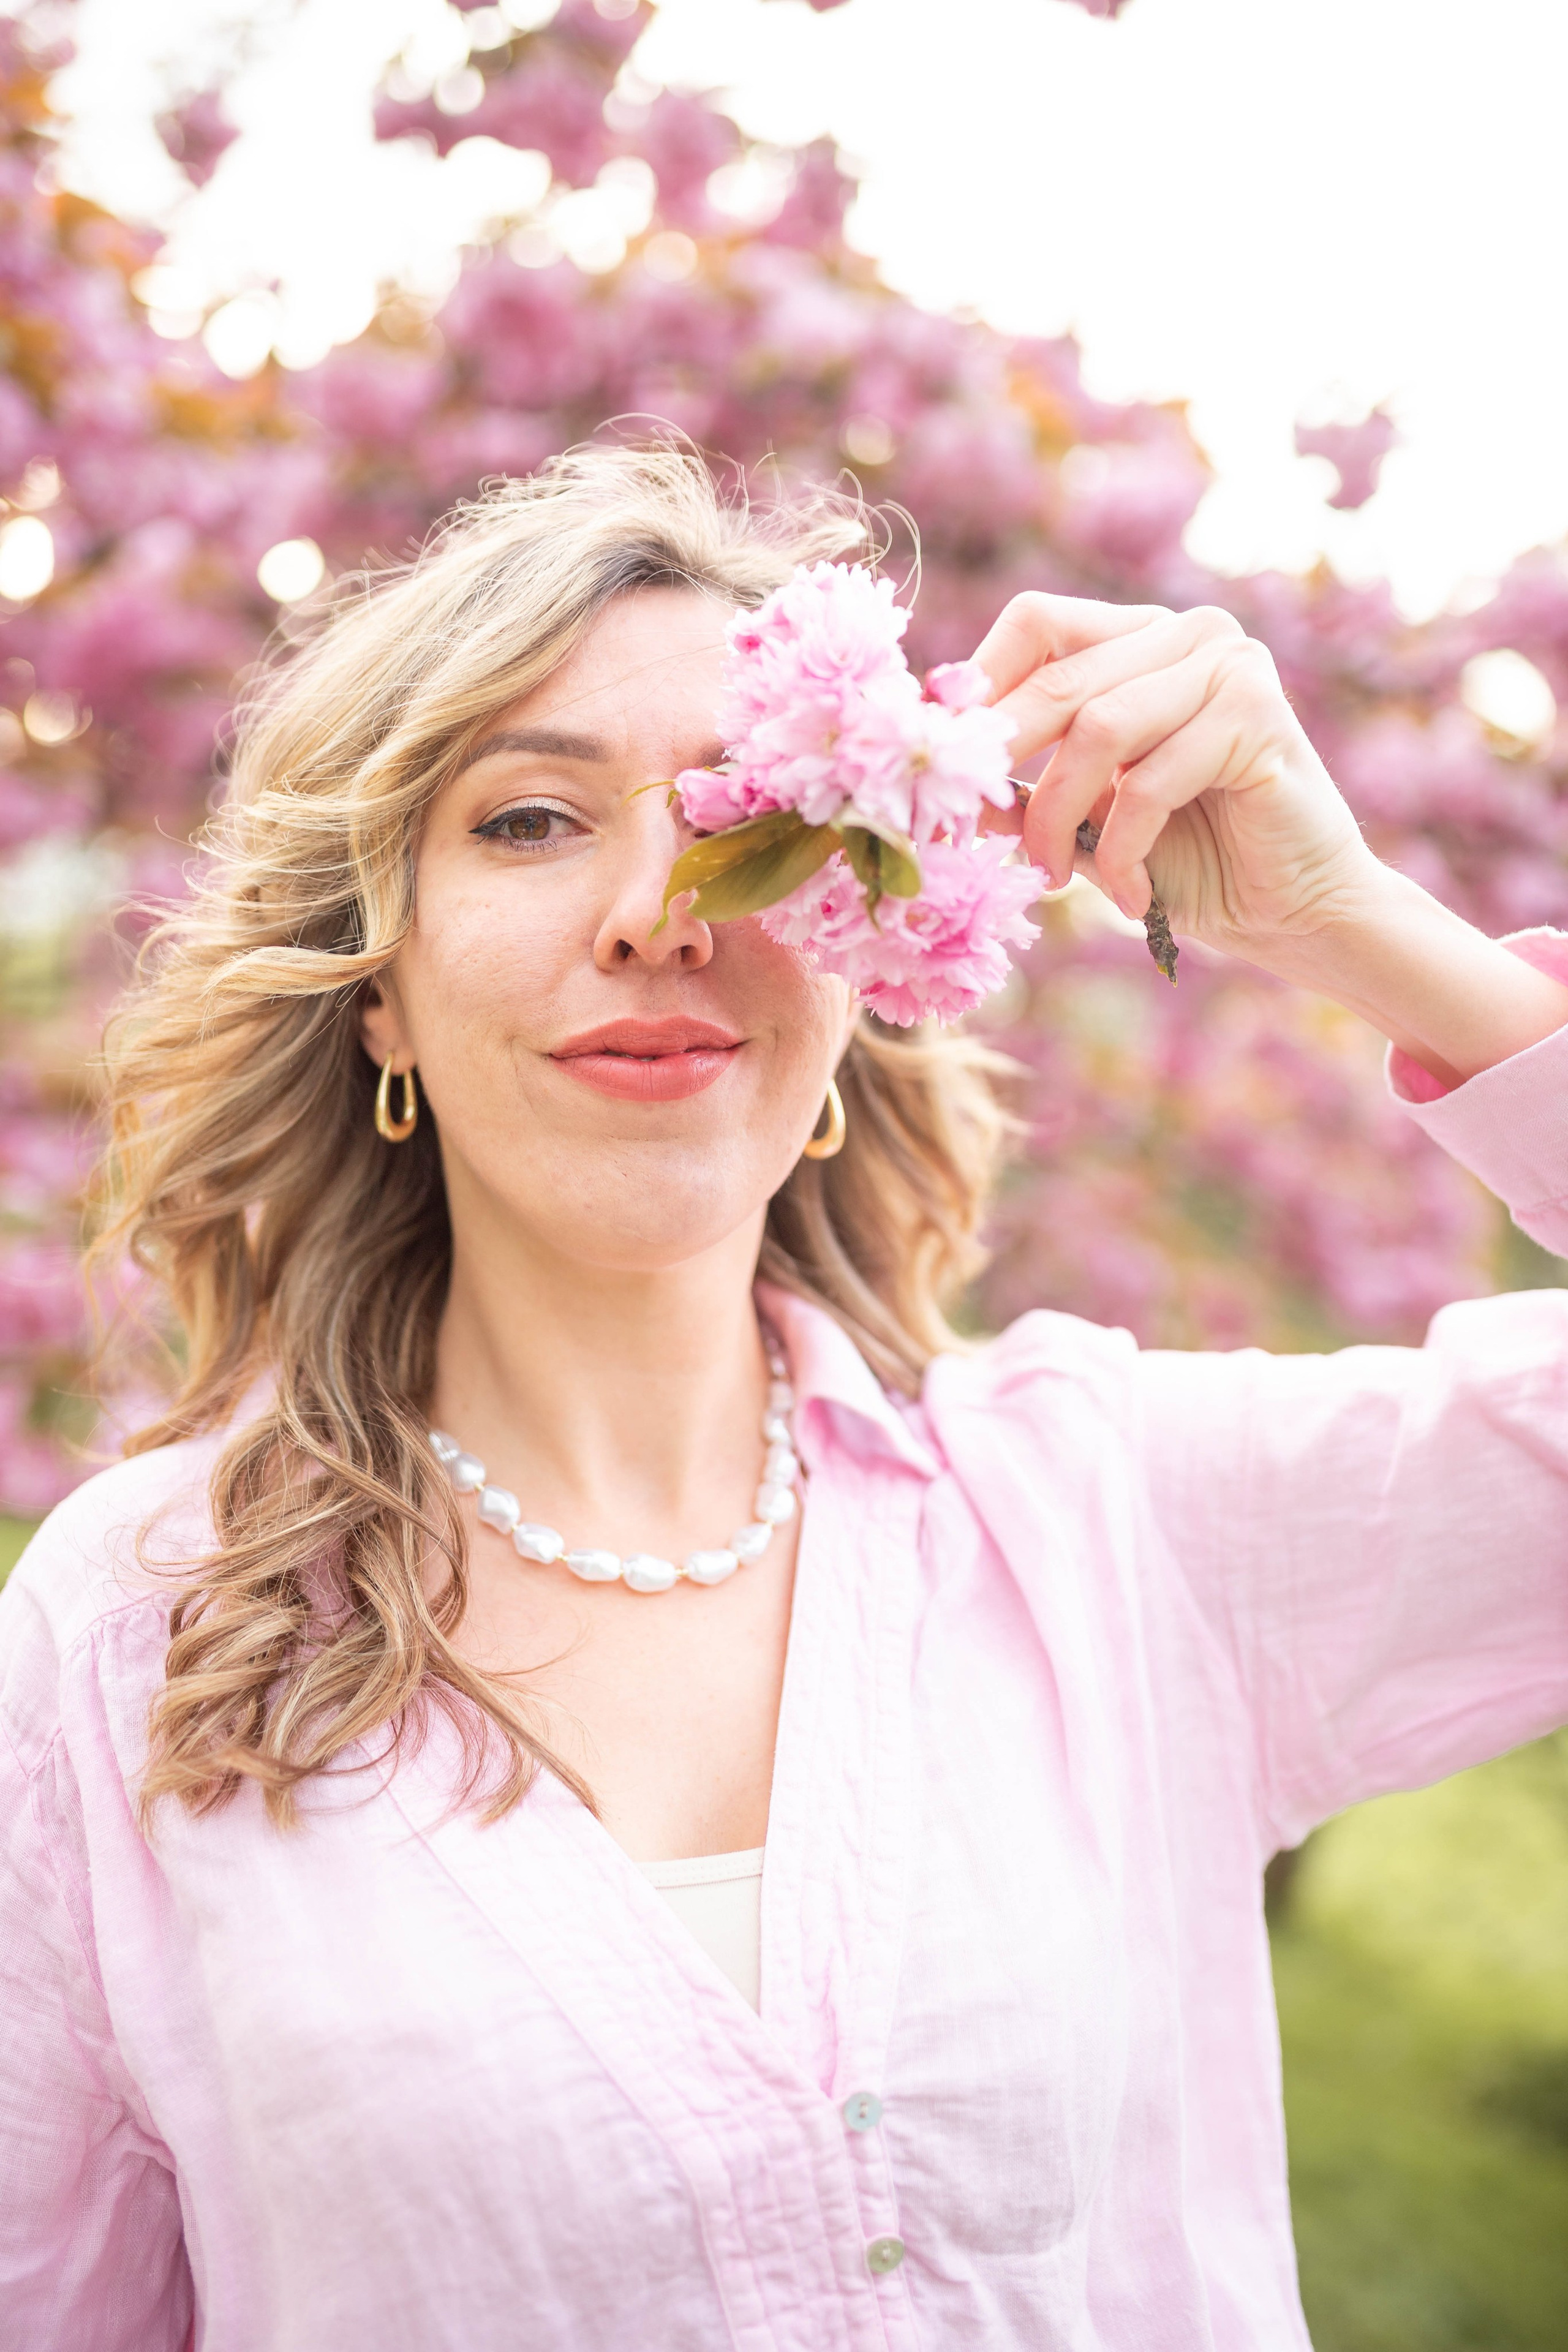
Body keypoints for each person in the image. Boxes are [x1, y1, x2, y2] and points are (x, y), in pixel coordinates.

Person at [1, 447, 1565, 2352]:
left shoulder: (1119, 1521)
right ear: (380, 989)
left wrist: (1353, 923)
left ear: (863, 962)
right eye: (527, 821)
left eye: (750, 815)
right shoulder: (134, 1636)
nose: (659, 912)